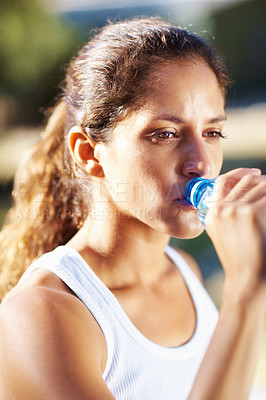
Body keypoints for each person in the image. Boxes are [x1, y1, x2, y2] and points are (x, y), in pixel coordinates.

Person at [0, 17, 265, 400]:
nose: (201, 163)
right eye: (165, 134)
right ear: (89, 153)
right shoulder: (41, 315)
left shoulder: (184, 273)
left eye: (212, 133)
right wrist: (244, 292)